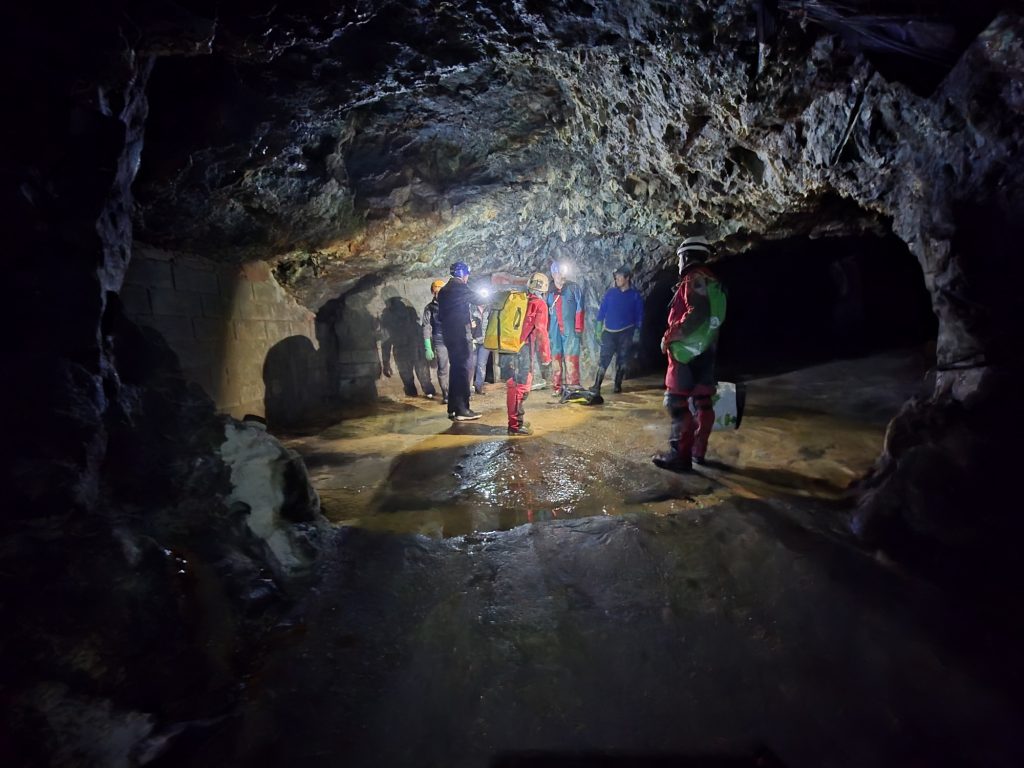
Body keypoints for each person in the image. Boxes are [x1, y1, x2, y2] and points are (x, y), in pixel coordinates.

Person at [653, 236, 723, 471]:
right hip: (707, 350)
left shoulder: (693, 278)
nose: (678, 263)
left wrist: (671, 336)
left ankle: (680, 456)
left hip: (686, 353)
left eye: (679, 258)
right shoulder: (714, 282)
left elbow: (697, 312)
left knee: (676, 402)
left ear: (686, 256)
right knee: (703, 402)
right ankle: (697, 451)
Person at [501, 272, 551, 435]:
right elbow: (541, 332)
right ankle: (515, 425)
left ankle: (516, 420)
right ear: (544, 290)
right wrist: (546, 357)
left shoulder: (520, 300)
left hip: (507, 348)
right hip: (522, 350)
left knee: (514, 385)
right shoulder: (539, 304)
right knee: (520, 387)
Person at [437, 261, 481, 421]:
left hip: (449, 335)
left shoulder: (443, 290)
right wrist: (497, 296)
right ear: (462, 274)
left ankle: (453, 408)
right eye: (467, 274)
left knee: (455, 370)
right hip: (460, 335)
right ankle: (463, 409)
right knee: (463, 370)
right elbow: (478, 298)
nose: (467, 277)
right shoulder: (459, 287)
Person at [592, 265, 644, 398]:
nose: (617, 279)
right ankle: (597, 385)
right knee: (604, 359)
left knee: (622, 359)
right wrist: (598, 329)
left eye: (620, 277)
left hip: (626, 332)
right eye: (616, 277)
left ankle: (617, 384)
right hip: (609, 332)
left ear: (627, 278)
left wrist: (637, 333)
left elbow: (639, 316)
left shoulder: (635, 296)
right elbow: (602, 311)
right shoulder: (610, 293)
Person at [380, 292, 437, 399]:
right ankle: (430, 396)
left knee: (408, 380)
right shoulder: (410, 311)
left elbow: (385, 341)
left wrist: (386, 362)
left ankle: (414, 397)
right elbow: (421, 331)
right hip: (415, 348)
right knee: (424, 379)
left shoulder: (387, 316)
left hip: (402, 350)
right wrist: (429, 350)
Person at [546, 259, 585, 395]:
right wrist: (545, 331)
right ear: (553, 274)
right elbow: (544, 312)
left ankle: (573, 386)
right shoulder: (548, 291)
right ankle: (557, 387)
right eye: (559, 273)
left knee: (571, 357)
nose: (562, 275)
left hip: (570, 329)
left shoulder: (574, 288)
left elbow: (580, 308)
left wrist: (578, 327)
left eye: (563, 272)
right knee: (555, 357)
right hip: (554, 330)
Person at [422, 279, 450, 404]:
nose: (438, 294)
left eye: (440, 291)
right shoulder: (430, 308)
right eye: (436, 292)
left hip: (454, 338)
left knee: (457, 367)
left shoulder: (452, 305)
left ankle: (458, 392)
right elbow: (426, 327)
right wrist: (428, 346)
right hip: (439, 339)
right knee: (443, 368)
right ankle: (446, 394)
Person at [470, 295, 491, 395]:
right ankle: (469, 388)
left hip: (485, 342)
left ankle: (479, 386)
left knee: (481, 365)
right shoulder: (471, 308)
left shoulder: (490, 309)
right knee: (472, 365)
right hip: (474, 341)